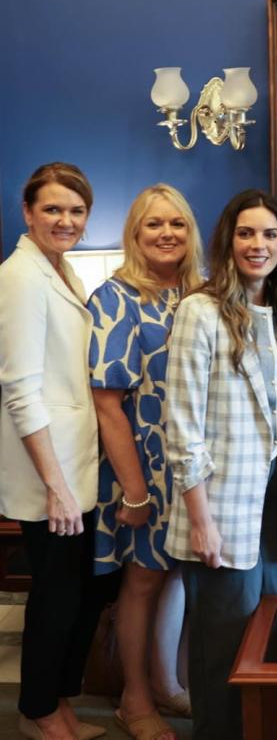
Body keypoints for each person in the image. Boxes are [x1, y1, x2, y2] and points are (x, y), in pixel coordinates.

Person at [164, 189, 277, 740]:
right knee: (222, 650)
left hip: (275, 508)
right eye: (247, 233)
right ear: (229, 242)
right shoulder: (199, 313)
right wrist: (200, 518)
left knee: (270, 639)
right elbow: (181, 428)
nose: (259, 244)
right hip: (222, 512)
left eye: (270, 234)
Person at [88, 184, 204, 739]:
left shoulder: (198, 292)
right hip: (143, 466)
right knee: (141, 582)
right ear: (135, 233)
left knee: (176, 577)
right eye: (153, 224)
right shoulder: (115, 298)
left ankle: (165, 684)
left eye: (177, 223)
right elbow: (107, 404)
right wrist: (134, 490)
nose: (166, 234)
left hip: (190, 466)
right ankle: (133, 700)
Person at [0, 163, 104, 740]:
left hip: (73, 467)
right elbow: (19, 388)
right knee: (57, 595)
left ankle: (57, 701)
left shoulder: (59, 270)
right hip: (49, 475)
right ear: (28, 213)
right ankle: (39, 709)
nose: (66, 220)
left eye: (76, 211)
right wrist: (56, 485)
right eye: (53, 209)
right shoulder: (19, 276)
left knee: (78, 591)